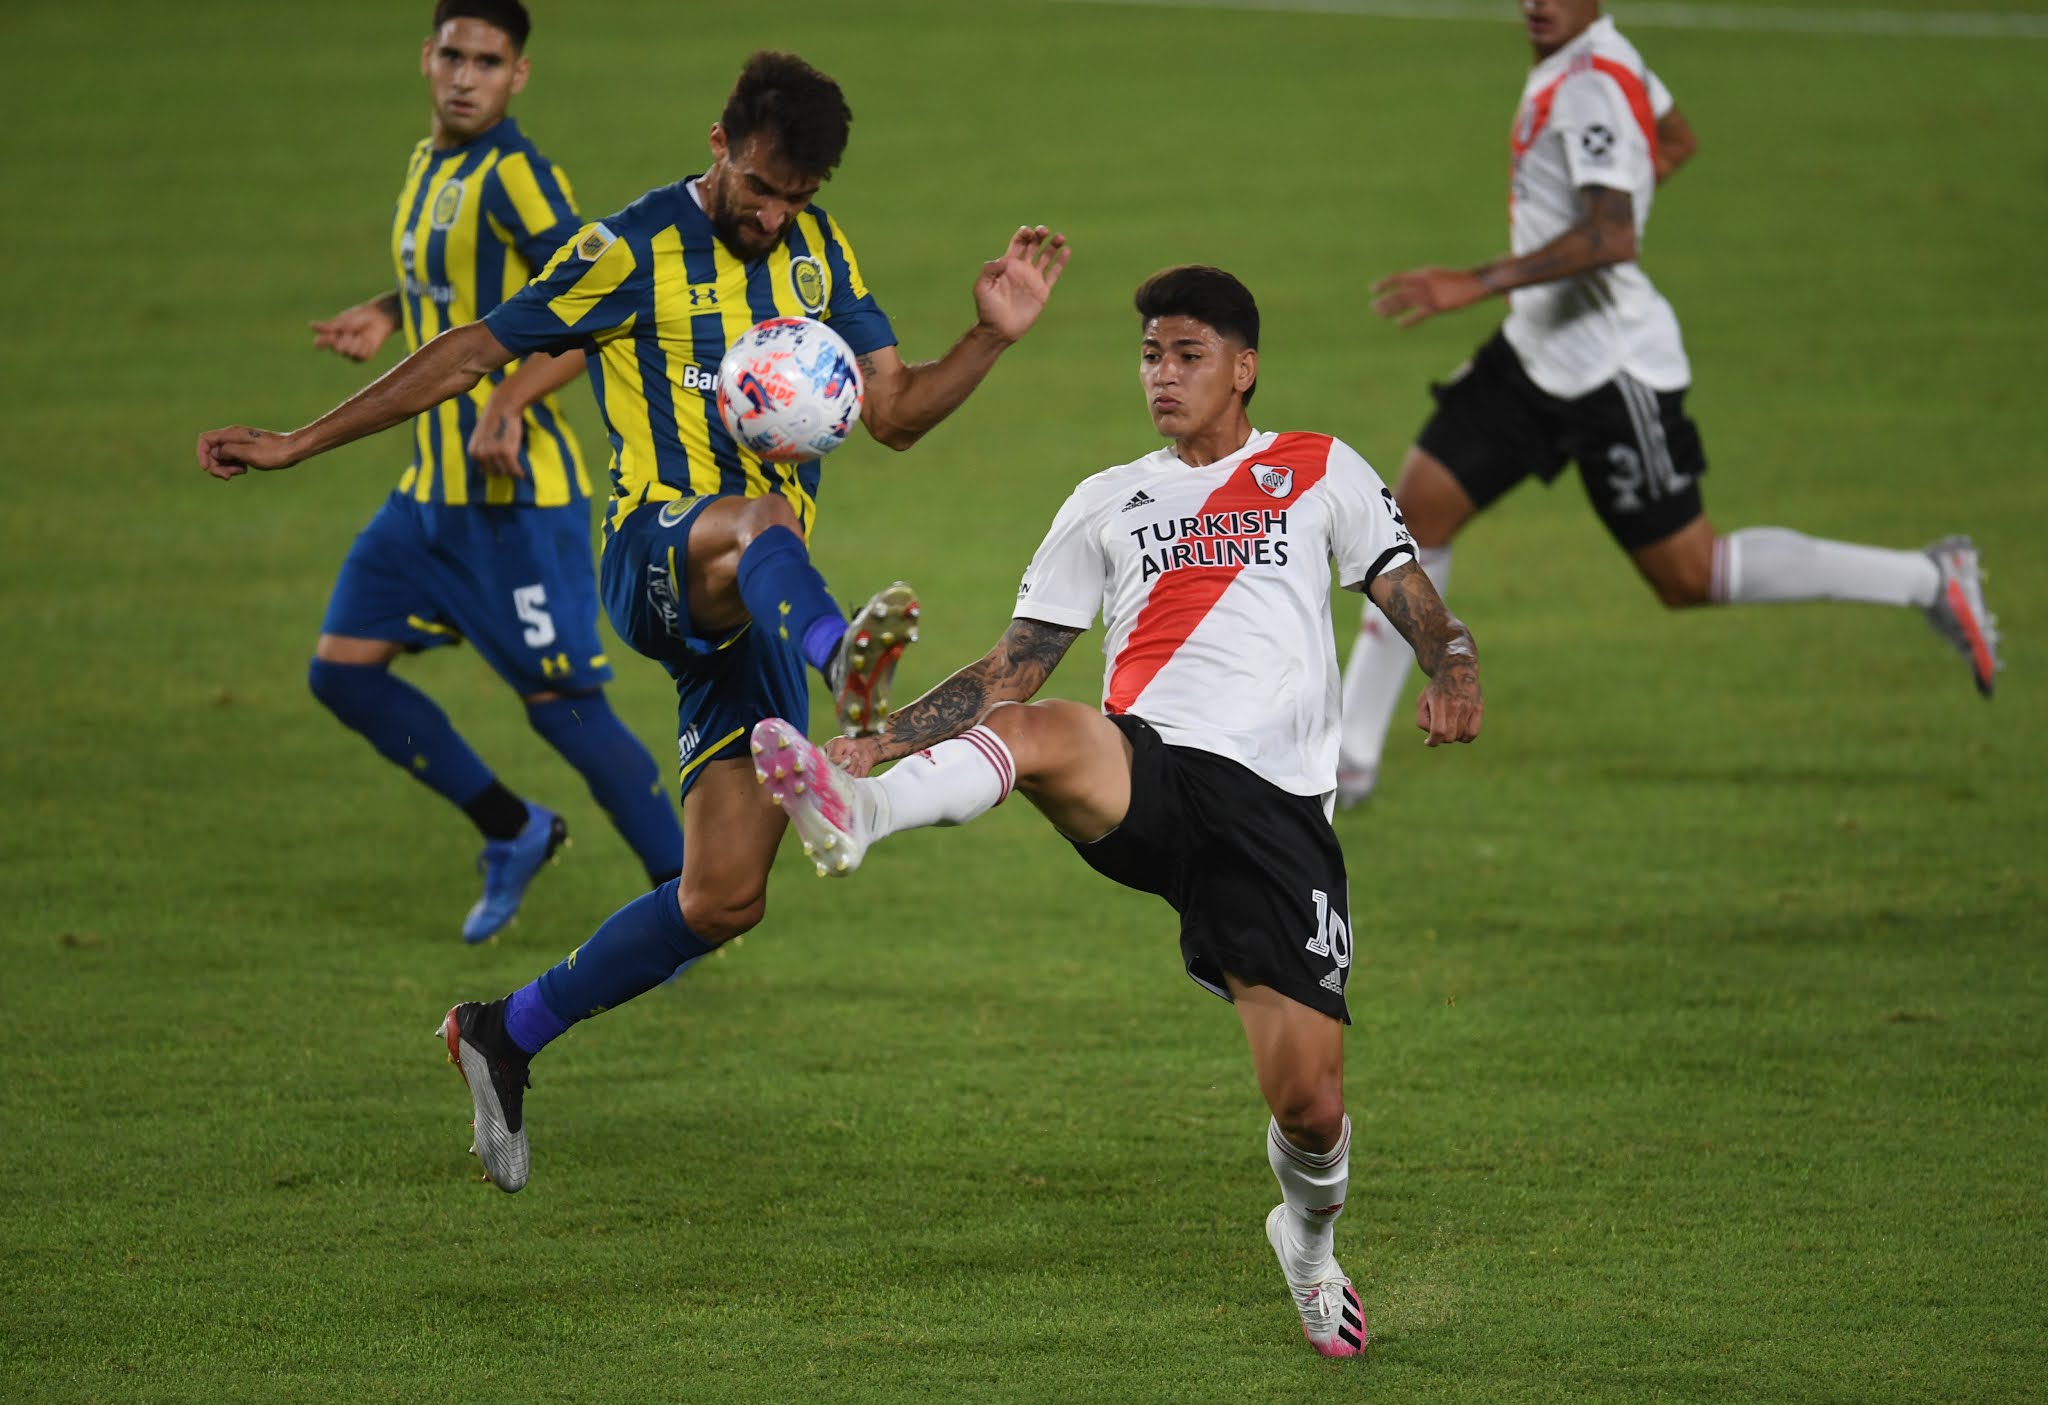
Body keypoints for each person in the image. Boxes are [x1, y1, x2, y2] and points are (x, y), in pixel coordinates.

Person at [196, 51, 1070, 1193]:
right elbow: (474, 351)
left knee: (722, 897)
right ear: (719, 142)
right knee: (760, 516)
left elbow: (894, 413)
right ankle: (840, 660)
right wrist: (300, 441)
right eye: (759, 185)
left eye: (793, 196)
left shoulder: (820, 252)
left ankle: (502, 1031)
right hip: (657, 556)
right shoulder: (628, 249)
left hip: (753, 601)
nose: (771, 214)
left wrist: (993, 335)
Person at [752, 266, 1483, 1358]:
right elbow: (1011, 668)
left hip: (1275, 818)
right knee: (1044, 726)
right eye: (1149, 355)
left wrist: (1453, 663)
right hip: (1148, 768)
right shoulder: (1106, 499)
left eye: (1186, 355)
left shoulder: (1317, 470)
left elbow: (1403, 588)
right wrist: (881, 739)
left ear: (1242, 367)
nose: (1162, 375)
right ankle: (859, 811)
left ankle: (1308, 1241)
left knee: (1309, 1107)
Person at [1335, 0, 2002, 807]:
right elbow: (1676, 138)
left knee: (1692, 573)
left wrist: (1474, 281)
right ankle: (1350, 760)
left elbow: (1612, 234)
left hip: (1612, 378)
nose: (1537, 4)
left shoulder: (1588, 84)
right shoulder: (1609, 55)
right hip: (1535, 354)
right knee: (1416, 515)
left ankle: (1930, 578)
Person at [297, 0, 683, 938]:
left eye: (489, 61)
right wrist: (394, 309)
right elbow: (462, 275)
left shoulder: (516, 174)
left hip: (517, 502)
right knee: (342, 673)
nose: (466, 76)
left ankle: (689, 897)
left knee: (564, 709)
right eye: (452, 56)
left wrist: (508, 401)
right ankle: (513, 829)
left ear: (519, 76)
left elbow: (595, 309)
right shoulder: (431, 162)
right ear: (426, 59)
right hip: (427, 499)